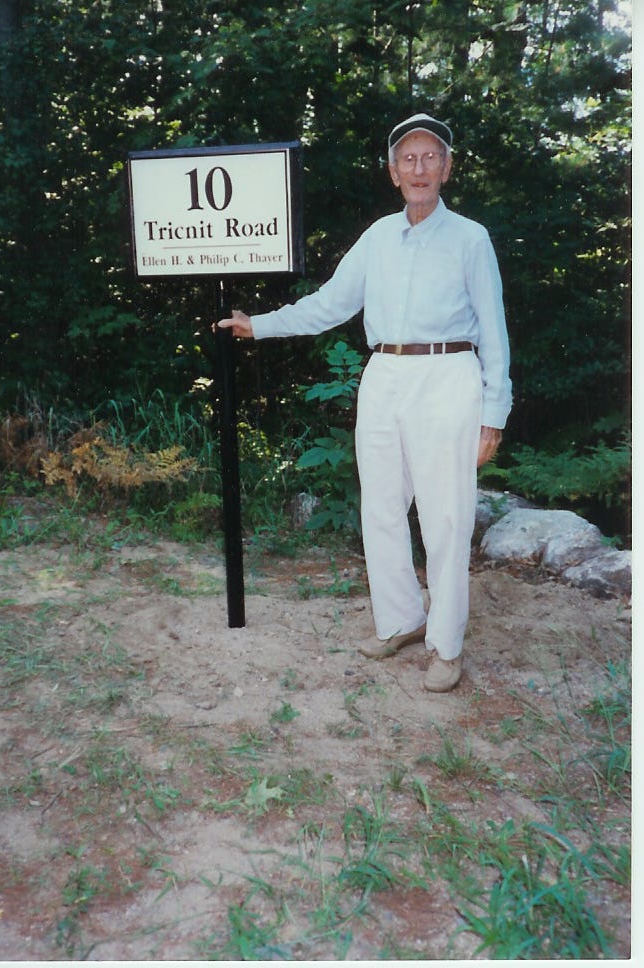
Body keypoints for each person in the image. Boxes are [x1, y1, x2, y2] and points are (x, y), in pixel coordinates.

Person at [217, 112, 512, 693]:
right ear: (392, 172)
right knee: (379, 505)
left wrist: (492, 413)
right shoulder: (378, 236)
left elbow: (495, 331)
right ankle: (401, 618)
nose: (419, 168)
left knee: (445, 517)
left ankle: (446, 646)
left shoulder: (471, 239)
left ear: (447, 168)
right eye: (408, 158)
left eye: (431, 157)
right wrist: (261, 325)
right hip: (383, 377)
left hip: (449, 376)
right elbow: (330, 304)